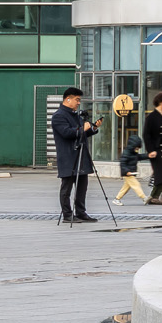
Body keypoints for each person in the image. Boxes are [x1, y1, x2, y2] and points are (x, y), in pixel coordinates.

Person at [50, 88, 99, 224]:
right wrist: (83, 128)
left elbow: (81, 133)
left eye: (79, 100)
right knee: (67, 187)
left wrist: (93, 128)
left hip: (81, 156)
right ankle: (67, 214)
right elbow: (67, 133)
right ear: (68, 99)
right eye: (77, 100)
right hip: (68, 157)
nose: (79, 103)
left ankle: (81, 212)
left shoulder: (75, 115)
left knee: (82, 186)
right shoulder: (58, 116)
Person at [142, 92, 162, 204]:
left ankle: (158, 196)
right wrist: (150, 150)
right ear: (161, 102)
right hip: (156, 150)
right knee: (161, 174)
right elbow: (146, 135)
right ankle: (154, 196)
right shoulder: (151, 117)